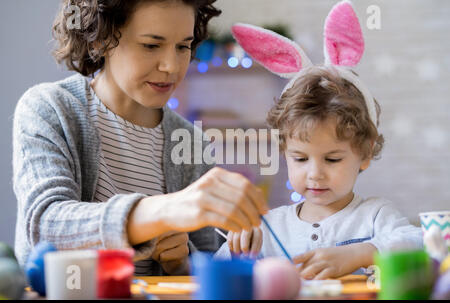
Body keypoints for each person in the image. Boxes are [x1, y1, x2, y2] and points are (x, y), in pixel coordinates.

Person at [12, 0, 267, 276]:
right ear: (100, 40)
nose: (171, 65)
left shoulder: (191, 142)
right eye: (151, 45)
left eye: (183, 46)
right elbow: (45, 226)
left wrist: (183, 260)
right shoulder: (51, 108)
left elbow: (206, 261)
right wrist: (165, 210)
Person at [215, 2, 423, 280]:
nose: (315, 173)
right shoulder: (268, 227)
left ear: (365, 152)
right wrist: (238, 251)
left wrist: (362, 253)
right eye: (300, 158)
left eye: (332, 158)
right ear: (284, 151)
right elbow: (214, 272)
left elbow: (421, 244)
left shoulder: (375, 216)